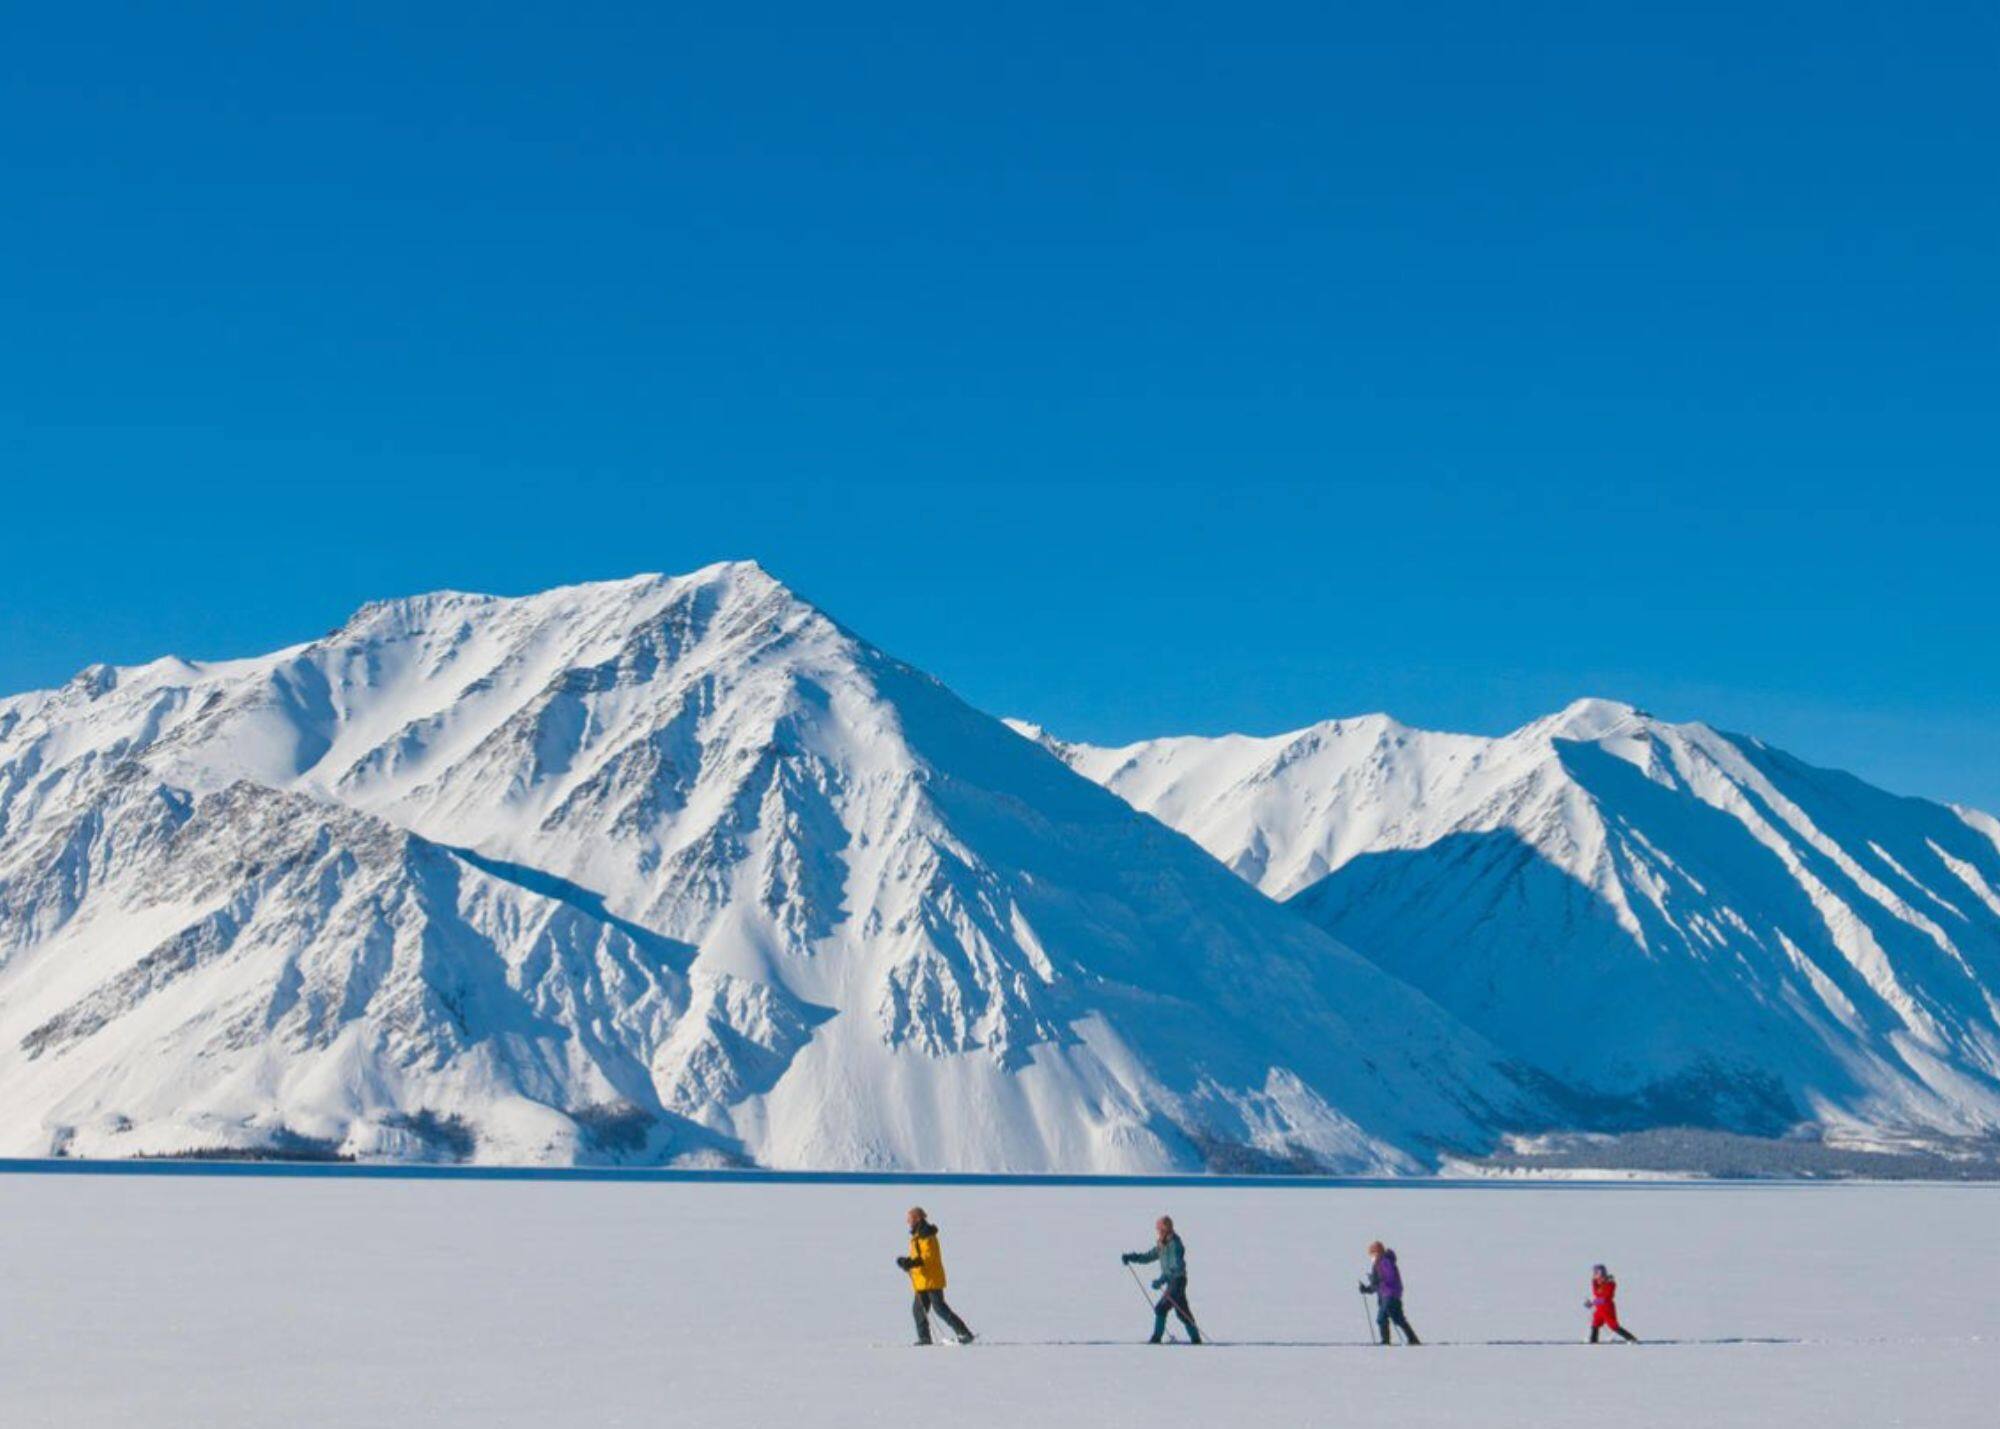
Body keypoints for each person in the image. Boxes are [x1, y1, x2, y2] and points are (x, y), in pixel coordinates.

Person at [896, 1206, 974, 1345]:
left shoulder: (926, 1235)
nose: (908, 1222)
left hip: (931, 1279)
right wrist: (906, 1262)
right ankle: (924, 1338)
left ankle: (964, 1333)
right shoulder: (917, 1236)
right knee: (918, 1310)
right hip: (922, 1280)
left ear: (918, 1218)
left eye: (910, 1218)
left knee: (939, 1308)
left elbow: (928, 1258)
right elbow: (918, 1257)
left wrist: (912, 1263)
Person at [1122, 1215, 1202, 1344]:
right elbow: (1148, 1257)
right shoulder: (1162, 1243)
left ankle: (1156, 1339)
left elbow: (1175, 1267)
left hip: (1178, 1281)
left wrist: (1161, 1280)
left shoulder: (1175, 1244)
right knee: (1182, 1313)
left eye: (1158, 1228)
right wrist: (1131, 1257)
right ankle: (1196, 1339)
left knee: (1161, 1308)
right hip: (1172, 1282)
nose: (1157, 1230)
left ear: (1165, 1228)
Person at [1358, 1241, 1421, 1345]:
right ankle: (1413, 1339)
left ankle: (1385, 1341)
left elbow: (1389, 1277)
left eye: (1372, 1253)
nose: (1371, 1257)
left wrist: (1377, 1280)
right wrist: (1366, 1289)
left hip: (1389, 1294)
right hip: (1390, 1295)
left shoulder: (1384, 1262)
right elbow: (1377, 1284)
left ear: (1377, 1252)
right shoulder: (1380, 1263)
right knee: (1398, 1318)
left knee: (1382, 1318)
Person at [1587, 1264, 1639, 1344]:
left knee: (1613, 1325)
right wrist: (1592, 1302)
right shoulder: (1597, 1283)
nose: (1595, 1276)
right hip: (1599, 1308)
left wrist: (1593, 1303)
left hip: (1607, 1308)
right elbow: (1597, 1294)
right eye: (1594, 1274)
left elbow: (1606, 1298)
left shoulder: (1609, 1284)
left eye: (1597, 1274)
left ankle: (1631, 1338)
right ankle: (1593, 1340)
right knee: (1596, 1323)